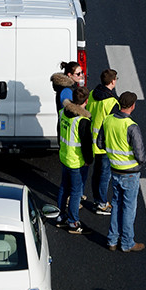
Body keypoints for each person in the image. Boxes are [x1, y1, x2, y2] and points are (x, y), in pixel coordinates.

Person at [99, 91, 146, 252]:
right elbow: (140, 155)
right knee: (129, 208)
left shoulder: (108, 120)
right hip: (130, 173)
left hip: (115, 170)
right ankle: (127, 243)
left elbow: (100, 143)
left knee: (117, 204)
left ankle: (112, 240)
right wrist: (143, 161)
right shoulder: (131, 126)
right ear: (133, 106)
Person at [54, 87, 91, 234]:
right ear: (86, 101)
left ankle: (61, 216)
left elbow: (59, 133)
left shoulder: (63, 112)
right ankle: (73, 222)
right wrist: (89, 160)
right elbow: (86, 144)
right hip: (76, 161)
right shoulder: (83, 121)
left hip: (64, 156)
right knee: (76, 192)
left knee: (64, 187)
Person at [87, 69, 120, 213]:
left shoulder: (92, 94)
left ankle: (97, 199)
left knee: (96, 173)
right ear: (113, 81)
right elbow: (113, 125)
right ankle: (101, 203)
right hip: (104, 144)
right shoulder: (112, 102)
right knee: (104, 175)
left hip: (91, 139)